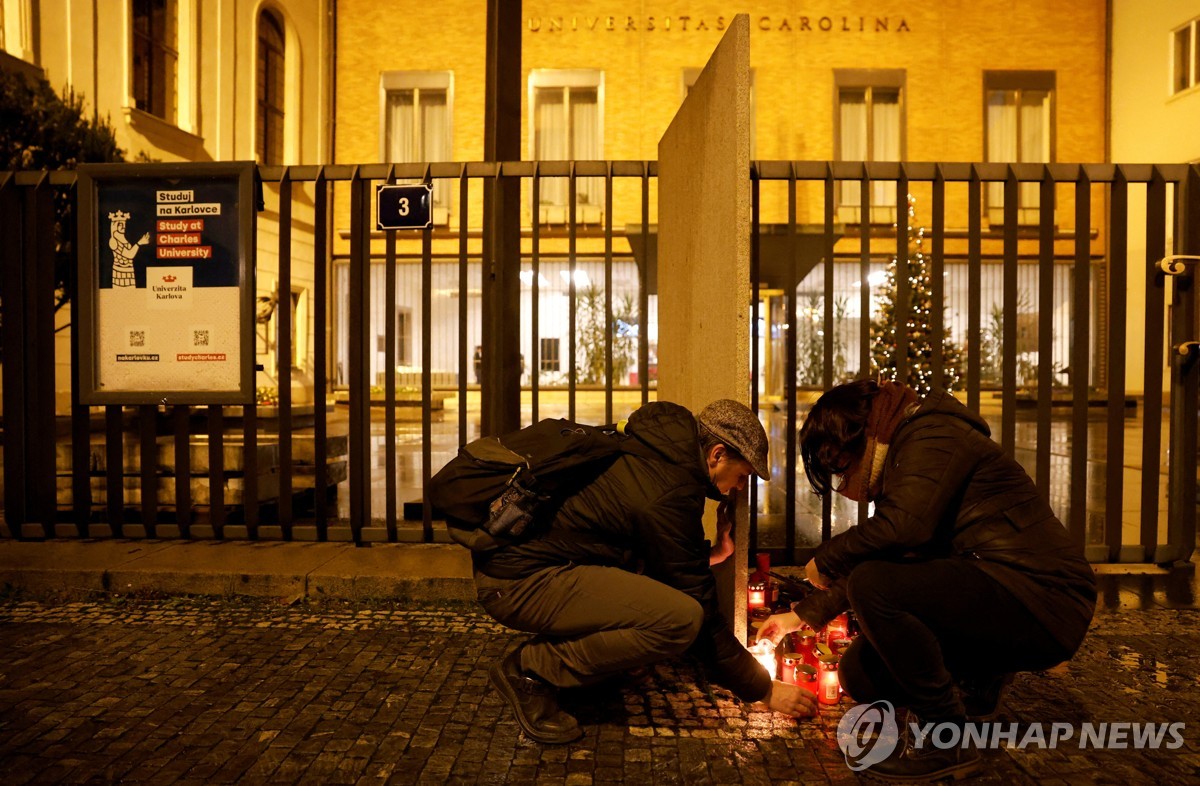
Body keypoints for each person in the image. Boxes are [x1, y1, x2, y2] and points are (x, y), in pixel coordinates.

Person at [758, 379, 1096, 781]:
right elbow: (898, 549)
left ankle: (945, 737)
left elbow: (904, 529)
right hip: (992, 587)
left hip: (1040, 597)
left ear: (858, 436)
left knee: (874, 584)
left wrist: (827, 556)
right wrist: (805, 616)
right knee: (860, 675)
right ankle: (980, 678)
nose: (844, 487)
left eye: (840, 468)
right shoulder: (904, 448)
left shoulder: (932, 434)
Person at [475, 399, 817, 744]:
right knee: (680, 620)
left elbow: (661, 560)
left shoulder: (656, 453)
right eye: (742, 475)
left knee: (661, 605)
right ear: (716, 455)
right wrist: (764, 689)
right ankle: (532, 670)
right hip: (518, 582)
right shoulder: (670, 490)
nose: (741, 488)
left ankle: (588, 667)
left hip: (534, 565)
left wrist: (715, 554)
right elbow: (700, 610)